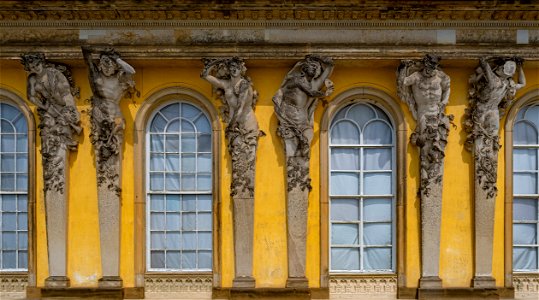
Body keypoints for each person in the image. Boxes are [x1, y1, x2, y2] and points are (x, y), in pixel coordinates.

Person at [201, 57, 259, 196]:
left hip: (246, 121)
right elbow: (205, 76)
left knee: (245, 160)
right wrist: (213, 62)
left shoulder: (244, 85)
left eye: (237, 67)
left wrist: (231, 125)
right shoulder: (226, 84)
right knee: (237, 158)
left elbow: (240, 107)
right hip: (234, 123)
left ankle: (245, 191)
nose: (234, 69)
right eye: (231, 66)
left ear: (241, 70)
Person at [82, 46, 136, 193]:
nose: (106, 68)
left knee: (113, 149)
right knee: (102, 151)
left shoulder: (119, 80)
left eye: (109, 64)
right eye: (104, 64)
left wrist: (117, 59)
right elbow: (88, 62)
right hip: (99, 116)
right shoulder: (96, 79)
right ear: (99, 65)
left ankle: (111, 186)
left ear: (114, 66)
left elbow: (131, 71)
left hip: (115, 117)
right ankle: (107, 185)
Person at [397, 54, 451, 195]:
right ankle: (428, 177)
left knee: (437, 142)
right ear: (424, 66)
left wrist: (445, 100)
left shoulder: (441, 76)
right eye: (428, 68)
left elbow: (448, 86)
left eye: (433, 68)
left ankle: (432, 176)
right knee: (425, 143)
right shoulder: (416, 76)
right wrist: (404, 67)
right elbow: (403, 82)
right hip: (422, 112)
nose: (430, 71)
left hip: (437, 112)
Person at [273, 55, 334, 159]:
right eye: (312, 66)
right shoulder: (297, 80)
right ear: (305, 68)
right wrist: (325, 94)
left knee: (308, 137)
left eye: (316, 67)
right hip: (290, 116)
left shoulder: (313, 84)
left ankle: (300, 166)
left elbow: (325, 73)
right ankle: (296, 167)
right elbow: (310, 92)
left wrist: (329, 63)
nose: (315, 68)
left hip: (302, 118)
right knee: (292, 148)